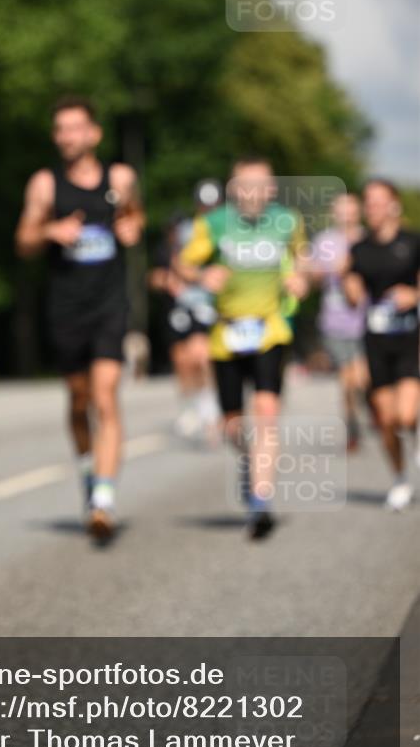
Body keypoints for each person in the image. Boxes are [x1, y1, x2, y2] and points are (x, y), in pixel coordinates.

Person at [15, 95, 144, 541]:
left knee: (106, 396)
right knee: (78, 401)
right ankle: (90, 471)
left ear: (94, 134)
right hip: (67, 306)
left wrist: (133, 227)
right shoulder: (45, 185)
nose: (69, 137)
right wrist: (50, 230)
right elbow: (24, 240)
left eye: (76, 128)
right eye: (61, 130)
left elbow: (134, 215)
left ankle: (103, 498)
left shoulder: (120, 178)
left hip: (110, 303)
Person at [177, 157, 308, 539]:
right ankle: (249, 463)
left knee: (267, 413)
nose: (252, 194)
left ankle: (260, 501)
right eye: (244, 186)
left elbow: (304, 259)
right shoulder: (213, 223)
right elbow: (181, 266)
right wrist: (202, 274)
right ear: (233, 190)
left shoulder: (288, 220)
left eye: (260, 186)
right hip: (227, 335)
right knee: (233, 425)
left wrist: (301, 279)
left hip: (270, 330)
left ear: (272, 189)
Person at [344, 179, 420, 510]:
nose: (371, 208)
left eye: (378, 201)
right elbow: (353, 297)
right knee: (386, 419)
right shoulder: (359, 249)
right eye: (368, 202)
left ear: (394, 205)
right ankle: (401, 478)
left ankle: (415, 439)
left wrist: (413, 295)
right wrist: (346, 280)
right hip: (376, 340)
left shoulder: (413, 242)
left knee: (406, 414)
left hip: (410, 337)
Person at [148, 181, 222, 441]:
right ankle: (195, 406)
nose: (208, 211)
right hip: (186, 303)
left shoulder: (227, 229)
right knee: (186, 361)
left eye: (213, 206)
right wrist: (191, 277)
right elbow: (174, 264)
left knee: (203, 357)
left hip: (211, 304)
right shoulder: (187, 232)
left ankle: (210, 409)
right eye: (204, 206)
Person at [309, 193, 368, 450]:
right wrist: (319, 270)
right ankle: (352, 422)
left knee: (363, 377)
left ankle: (368, 409)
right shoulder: (325, 241)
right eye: (341, 209)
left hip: (367, 319)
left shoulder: (368, 239)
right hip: (335, 320)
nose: (346, 214)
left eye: (351, 209)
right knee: (348, 379)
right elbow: (311, 274)